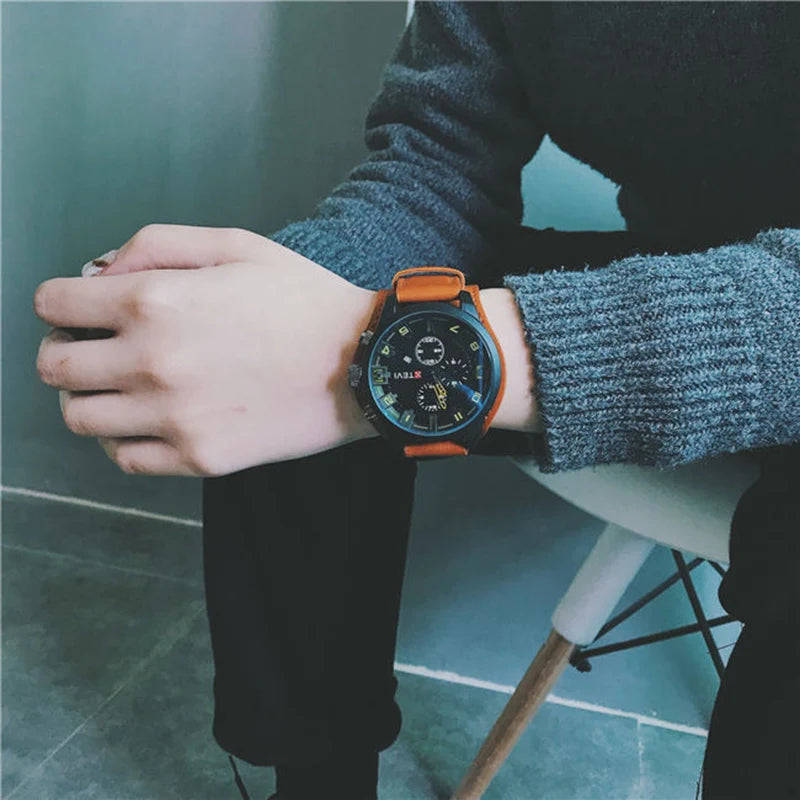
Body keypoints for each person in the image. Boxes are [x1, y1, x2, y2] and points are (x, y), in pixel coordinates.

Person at [33, 3, 800, 798]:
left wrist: (403, 353)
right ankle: (318, 781)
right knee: (260, 339)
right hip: (677, 272)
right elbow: (438, 165)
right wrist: (298, 295)